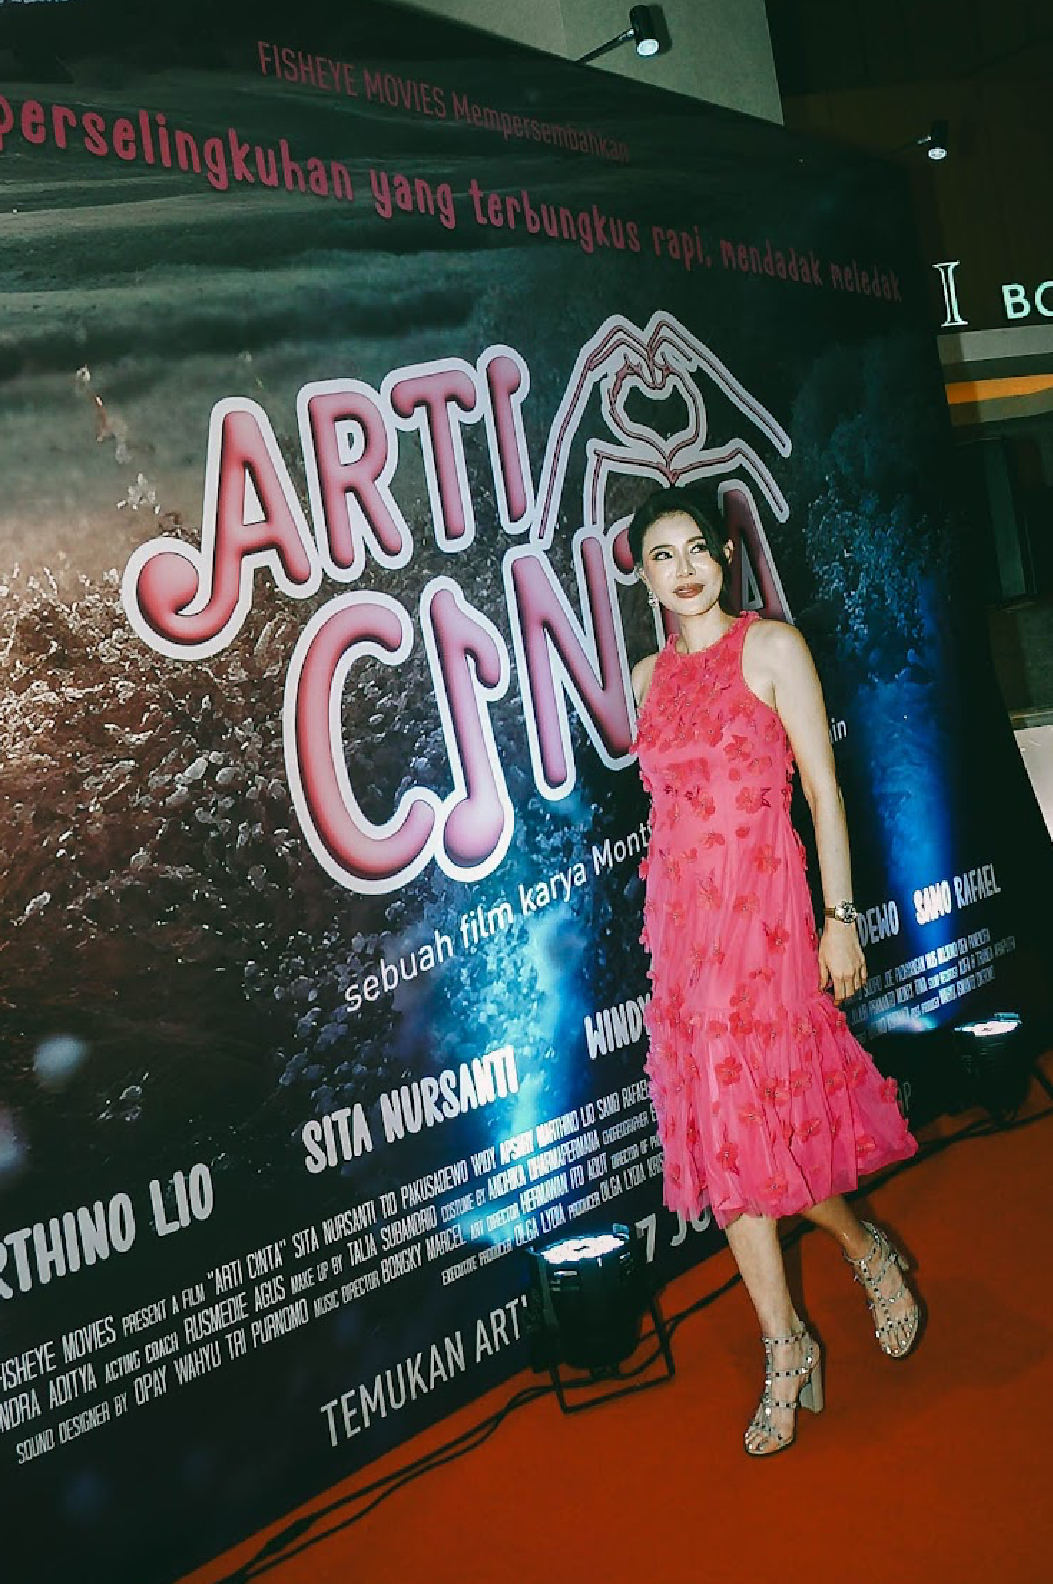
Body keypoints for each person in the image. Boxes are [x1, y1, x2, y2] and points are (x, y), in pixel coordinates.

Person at [628, 485, 921, 1458]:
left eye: (696, 549)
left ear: (722, 555)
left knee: (763, 1131)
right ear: (642, 576)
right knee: (728, 1146)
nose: (684, 569)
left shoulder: (772, 648)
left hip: (766, 926)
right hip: (685, 939)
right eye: (662, 556)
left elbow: (824, 793)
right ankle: (786, 1343)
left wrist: (840, 922)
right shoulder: (645, 679)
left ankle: (862, 1250)